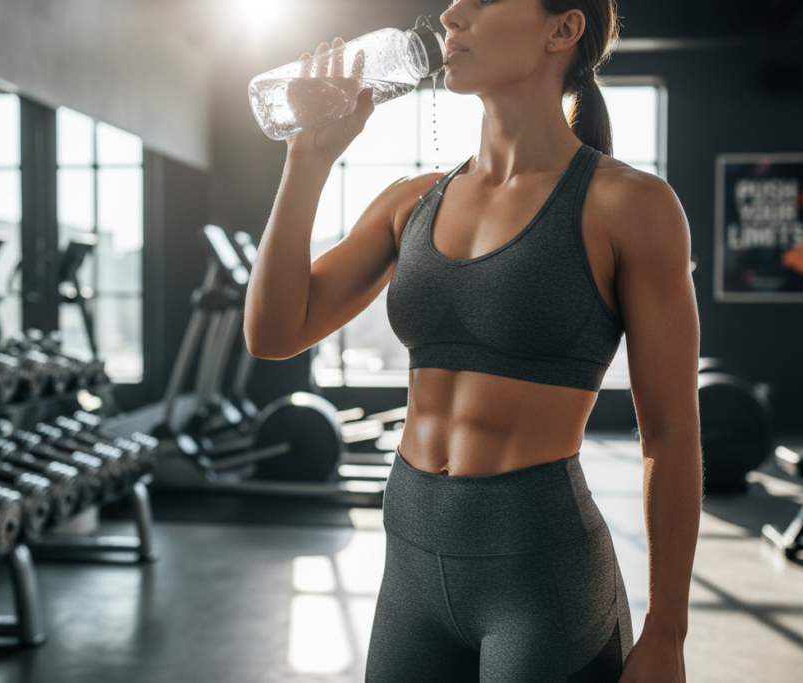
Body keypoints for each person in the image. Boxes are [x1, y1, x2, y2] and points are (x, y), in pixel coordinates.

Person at [244, 0, 702, 680]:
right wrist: (307, 162)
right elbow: (274, 332)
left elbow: (669, 430)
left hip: (541, 573)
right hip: (410, 565)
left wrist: (667, 633)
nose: (453, 13)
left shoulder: (628, 204)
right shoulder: (412, 200)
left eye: (484, 0)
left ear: (562, 28)